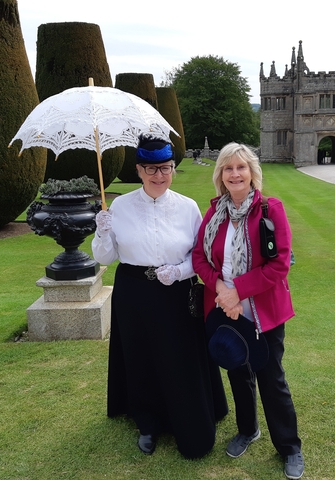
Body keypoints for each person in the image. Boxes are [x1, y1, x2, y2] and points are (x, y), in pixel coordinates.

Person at [92, 136, 227, 459]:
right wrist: (101, 230)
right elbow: (105, 257)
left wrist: (179, 272)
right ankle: (148, 422)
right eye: (151, 169)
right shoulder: (120, 207)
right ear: (139, 170)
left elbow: (200, 255)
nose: (159, 176)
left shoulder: (187, 207)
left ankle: (186, 414)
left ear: (173, 169)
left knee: (179, 356)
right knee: (141, 356)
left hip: (176, 292)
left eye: (165, 168)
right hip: (134, 292)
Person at [192, 143, 304, 480]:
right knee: (238, 374)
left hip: (262, 310)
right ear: (220, 175)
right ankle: (247, 429)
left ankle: (289, 447)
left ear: (252, 173)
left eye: (241, 167)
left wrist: (238, 290)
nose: (235, 174)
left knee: (272, 380)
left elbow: (279, 264)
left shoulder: (271, 209)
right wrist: (222, 290)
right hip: (224, 308)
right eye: (228, 168)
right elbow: (199, 256)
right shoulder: (214, 213)